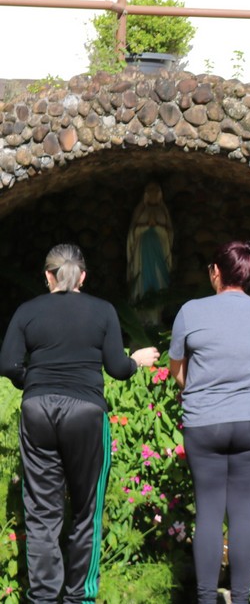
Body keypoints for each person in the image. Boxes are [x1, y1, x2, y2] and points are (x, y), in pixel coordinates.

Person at [0, 243, 159, 604]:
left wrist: (34, 381)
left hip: (37, 411)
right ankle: (79, 599)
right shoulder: (103, 311)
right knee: (88, 510)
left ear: (48, 276)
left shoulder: (27, 311)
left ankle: (43, 598)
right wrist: (135, 361)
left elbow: (8, 364)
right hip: (86, 412)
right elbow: (117, 369)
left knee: (41, 513)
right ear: (83, 276)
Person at [170, 240, 250, 604]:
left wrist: (196, 388)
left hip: (206, 422)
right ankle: (241, 598)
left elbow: (177, 371)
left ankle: (206, 598)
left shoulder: (191, 311)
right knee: (243, 514)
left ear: (216, 271)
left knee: (208, 512)